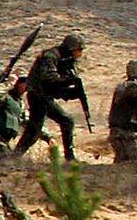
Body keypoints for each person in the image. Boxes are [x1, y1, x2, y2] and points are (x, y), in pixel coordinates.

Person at [15, 33, 87, 162]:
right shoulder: (51, 56)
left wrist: (70, 92)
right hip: (39, 95)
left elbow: (58, 86)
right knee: (65, 121)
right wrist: (68, 81)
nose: (80, 54)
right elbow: (49, 79)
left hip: (44, 95)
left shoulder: (66, 59)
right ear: (71, 48)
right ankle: (70, 158)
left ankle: (14, 157)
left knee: (34, 130)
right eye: (79, 50)